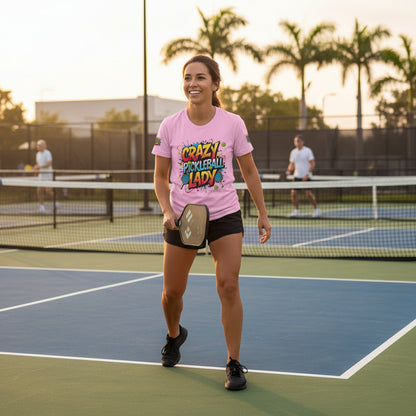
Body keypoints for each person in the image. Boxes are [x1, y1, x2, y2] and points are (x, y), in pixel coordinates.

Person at [152, 55, 271, 391]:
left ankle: (234, 362)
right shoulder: (170, 126)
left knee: (228, 285)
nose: (193, 83)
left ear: (215, 84)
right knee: (171, 293)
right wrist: (166, 209)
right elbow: (161, 178)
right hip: (182, 218)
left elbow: (248, 171)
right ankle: (175, 335)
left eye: (201, 78)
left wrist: (262, 213)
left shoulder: (232, 123)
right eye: (188, 77)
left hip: (224, 216)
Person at [286, 134, 320, 217]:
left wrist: (307, 174)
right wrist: (289, 170)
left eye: (298, 141)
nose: (297, 143)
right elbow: (292, 164)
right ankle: (296, 211)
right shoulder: (293, 152)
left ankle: (316, 210)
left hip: (307, 176)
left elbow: (313, 164)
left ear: (302, 142)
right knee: (293, 193)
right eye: (295, 141)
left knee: (308, 193)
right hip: (297, 176)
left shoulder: (308, 151)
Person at [34, 139, 56, 213]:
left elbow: (49, 163)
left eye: (40, 145)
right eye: (38, 145)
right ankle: (41, 207)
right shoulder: (37, 154)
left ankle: (55, 202)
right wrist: (36, 170)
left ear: (44, 146)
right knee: (39, 190)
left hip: (48, 174)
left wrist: (39, 167)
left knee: (48, 191)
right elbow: (38, 164)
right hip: (41, 175)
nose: (39, 147)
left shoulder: (47, 153)